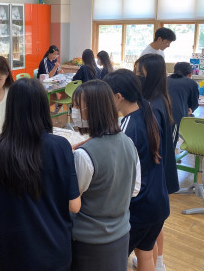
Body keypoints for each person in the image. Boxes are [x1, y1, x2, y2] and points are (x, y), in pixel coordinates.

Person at [0, 78, 81, 271]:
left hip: (16, 254)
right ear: (43, 106)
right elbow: (74, 205)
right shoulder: (61, 147)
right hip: (56, 251)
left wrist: (10, 209)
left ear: (11, 108)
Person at [71, 80, 140, 271]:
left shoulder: (84, 155)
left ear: (93, 109)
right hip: (120, 234)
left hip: (89, 241)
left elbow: (72, 202)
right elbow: (134, 189)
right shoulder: (128, 143)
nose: (73, 110)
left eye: (77, 106)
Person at [105, 70, 170, 271]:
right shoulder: (147, 113)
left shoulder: (126, 127)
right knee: (145, 253)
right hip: (158, 202)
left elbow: (115, 169)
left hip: (138, 207)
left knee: (114, 260)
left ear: (118, 96)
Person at [135, 53, 178, 271]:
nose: (137, 78)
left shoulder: (151, 106)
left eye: (139, 74)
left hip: (151, 172)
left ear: (148, 76)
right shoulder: (162, 98)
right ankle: (157, 261)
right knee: (154, 226)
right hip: (160, 173)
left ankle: (157, 261)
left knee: (148, 228)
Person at [167, 62, 200, 145]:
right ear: (190, 74)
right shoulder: (191, 83)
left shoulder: (164, 80)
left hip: (158, 113)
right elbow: (194, 104)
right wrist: (190, 110)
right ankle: (170, 158)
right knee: (170, 143)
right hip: (174, 116)